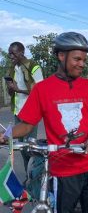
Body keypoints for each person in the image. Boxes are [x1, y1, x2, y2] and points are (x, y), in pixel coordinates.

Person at [0, 32, 88, 213]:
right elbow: (27, 124)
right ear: (60, 56)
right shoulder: (42, 89)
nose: (82, 64)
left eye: (84, 60)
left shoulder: (87, 85)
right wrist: (7, 134)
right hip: (63, 173)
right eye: (77, 59)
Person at [6, 42, 44, 174]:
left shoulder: (33, 67)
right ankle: (30, 178)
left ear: (21, 52)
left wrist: (19, 90)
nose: (10, 56)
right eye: (9, 53)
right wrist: (11, 89)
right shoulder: (12, 68)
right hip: (18, 112)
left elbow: (41, 91)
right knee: (22, 149)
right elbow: (11, 93)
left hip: (31, 113)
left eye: (13, 53)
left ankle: (35, 179)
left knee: (30, 147)